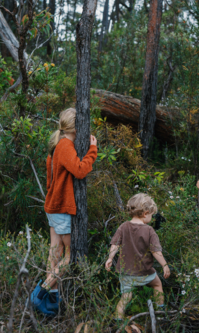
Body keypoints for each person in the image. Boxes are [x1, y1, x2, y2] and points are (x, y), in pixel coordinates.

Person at [31, 108, 98, 316]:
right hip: (60, 208)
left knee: (55, 252)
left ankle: (52, 298)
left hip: (53, 206)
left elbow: (51, 178)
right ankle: (40, 294)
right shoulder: (65, 145)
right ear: (76, 127)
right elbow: (79, 170)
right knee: (70, 255)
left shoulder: (57, 145)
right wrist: (93, 150)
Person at [105, 193, 170, 322]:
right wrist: (164, 265)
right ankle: (160, 312)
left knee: (125, 297)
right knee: (157, 284)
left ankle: (117, 320)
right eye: (151, 215)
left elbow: (114, 244)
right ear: (145, 213)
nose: (151, 218)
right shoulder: (149, 230)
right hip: (144, 272)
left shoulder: (123, 226)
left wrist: (110, 258)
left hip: (126, 272)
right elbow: (156, 251)